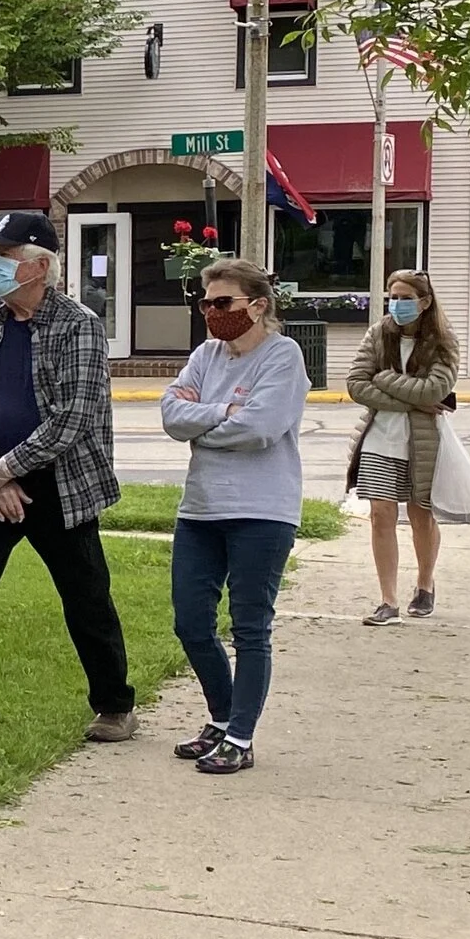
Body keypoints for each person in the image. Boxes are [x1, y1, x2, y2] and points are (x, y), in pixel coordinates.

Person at [0, 209, 137, 740]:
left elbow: (74, 417)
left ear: (39, 267)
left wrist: (6, 468)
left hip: (61, 486)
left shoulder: (79, 325)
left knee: (86, 597)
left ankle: (115, 706)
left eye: (4, 257)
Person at [158, 258, 310, 773]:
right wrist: (222, 414)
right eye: (205, 303)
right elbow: (170, 413)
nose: (211, 312)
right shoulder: (206, 355)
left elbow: (261, 429)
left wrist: (203, 423)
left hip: (263, 511)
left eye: (223, 302)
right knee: (191, 623)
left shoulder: (283, 356)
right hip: (201, 509)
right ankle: (221, 719)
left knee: (249, 627)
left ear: (258, 304)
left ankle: (240, 737)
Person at [346, 268, 459, 625]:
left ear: (424, 302)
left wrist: (384, 378)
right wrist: (411, 398)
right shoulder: (378, 333)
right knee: (381, 516)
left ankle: (425, 585)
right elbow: (356, 384)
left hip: (422, 441)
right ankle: (387, 600)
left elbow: (435, 391)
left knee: (420, 514)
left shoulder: (442, 340)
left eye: (406, 298)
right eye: (393, 297)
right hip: (380, 438)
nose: (397, 304)